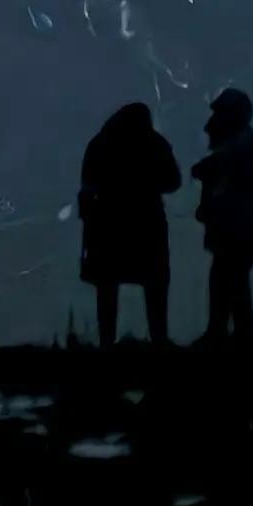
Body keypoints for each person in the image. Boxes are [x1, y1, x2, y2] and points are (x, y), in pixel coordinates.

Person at [78, 102, 181, 348]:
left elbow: (87, 189)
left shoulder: (99, 144)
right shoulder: (155, 144)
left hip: (108, 226)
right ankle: (159, 338)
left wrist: (89, 223)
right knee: (154, 284)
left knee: (107, 286)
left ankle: (106, 341)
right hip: (147, 224)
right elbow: (173, 181)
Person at [192, 86, 253, 341]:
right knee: (230, 282)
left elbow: (219, 165)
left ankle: (224, 334)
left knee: (228, 280)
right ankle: (229, 333)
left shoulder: (242, 144)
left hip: (238, 231)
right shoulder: (240, 144)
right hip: (235, 231)